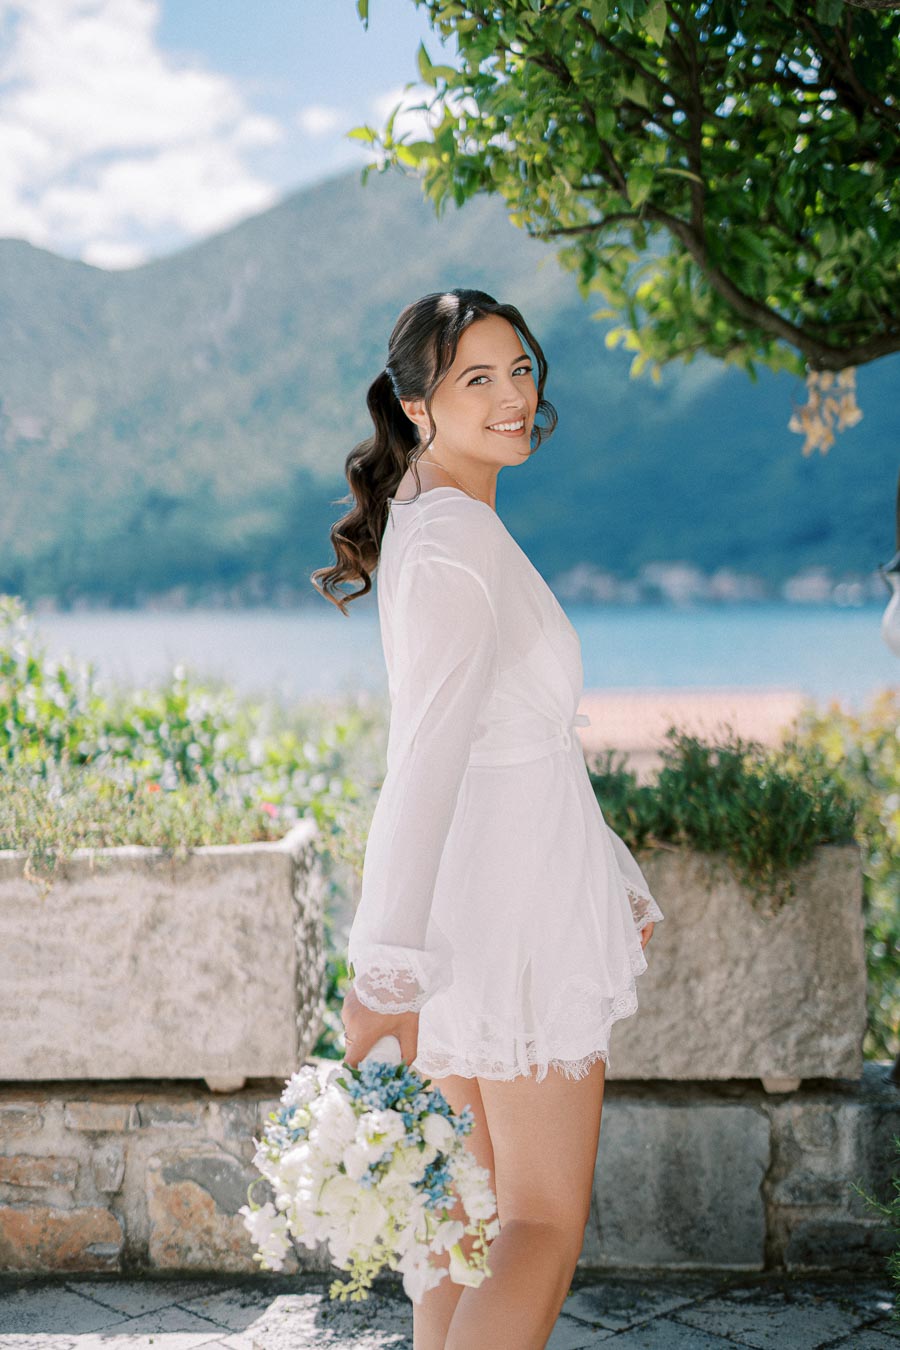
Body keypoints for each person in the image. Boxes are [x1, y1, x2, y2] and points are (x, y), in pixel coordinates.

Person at [312, 289, 664, 1350]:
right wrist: (384, 970)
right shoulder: (454, 539)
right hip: (511, 910)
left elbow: (510, 734)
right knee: (537, 1224)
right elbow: (428, 762)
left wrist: (613, 874)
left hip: (486, 898)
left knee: (462, 1224)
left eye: (521, 369)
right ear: (417, 405)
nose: (514, 396)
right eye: (479, 378)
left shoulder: (434, 518)